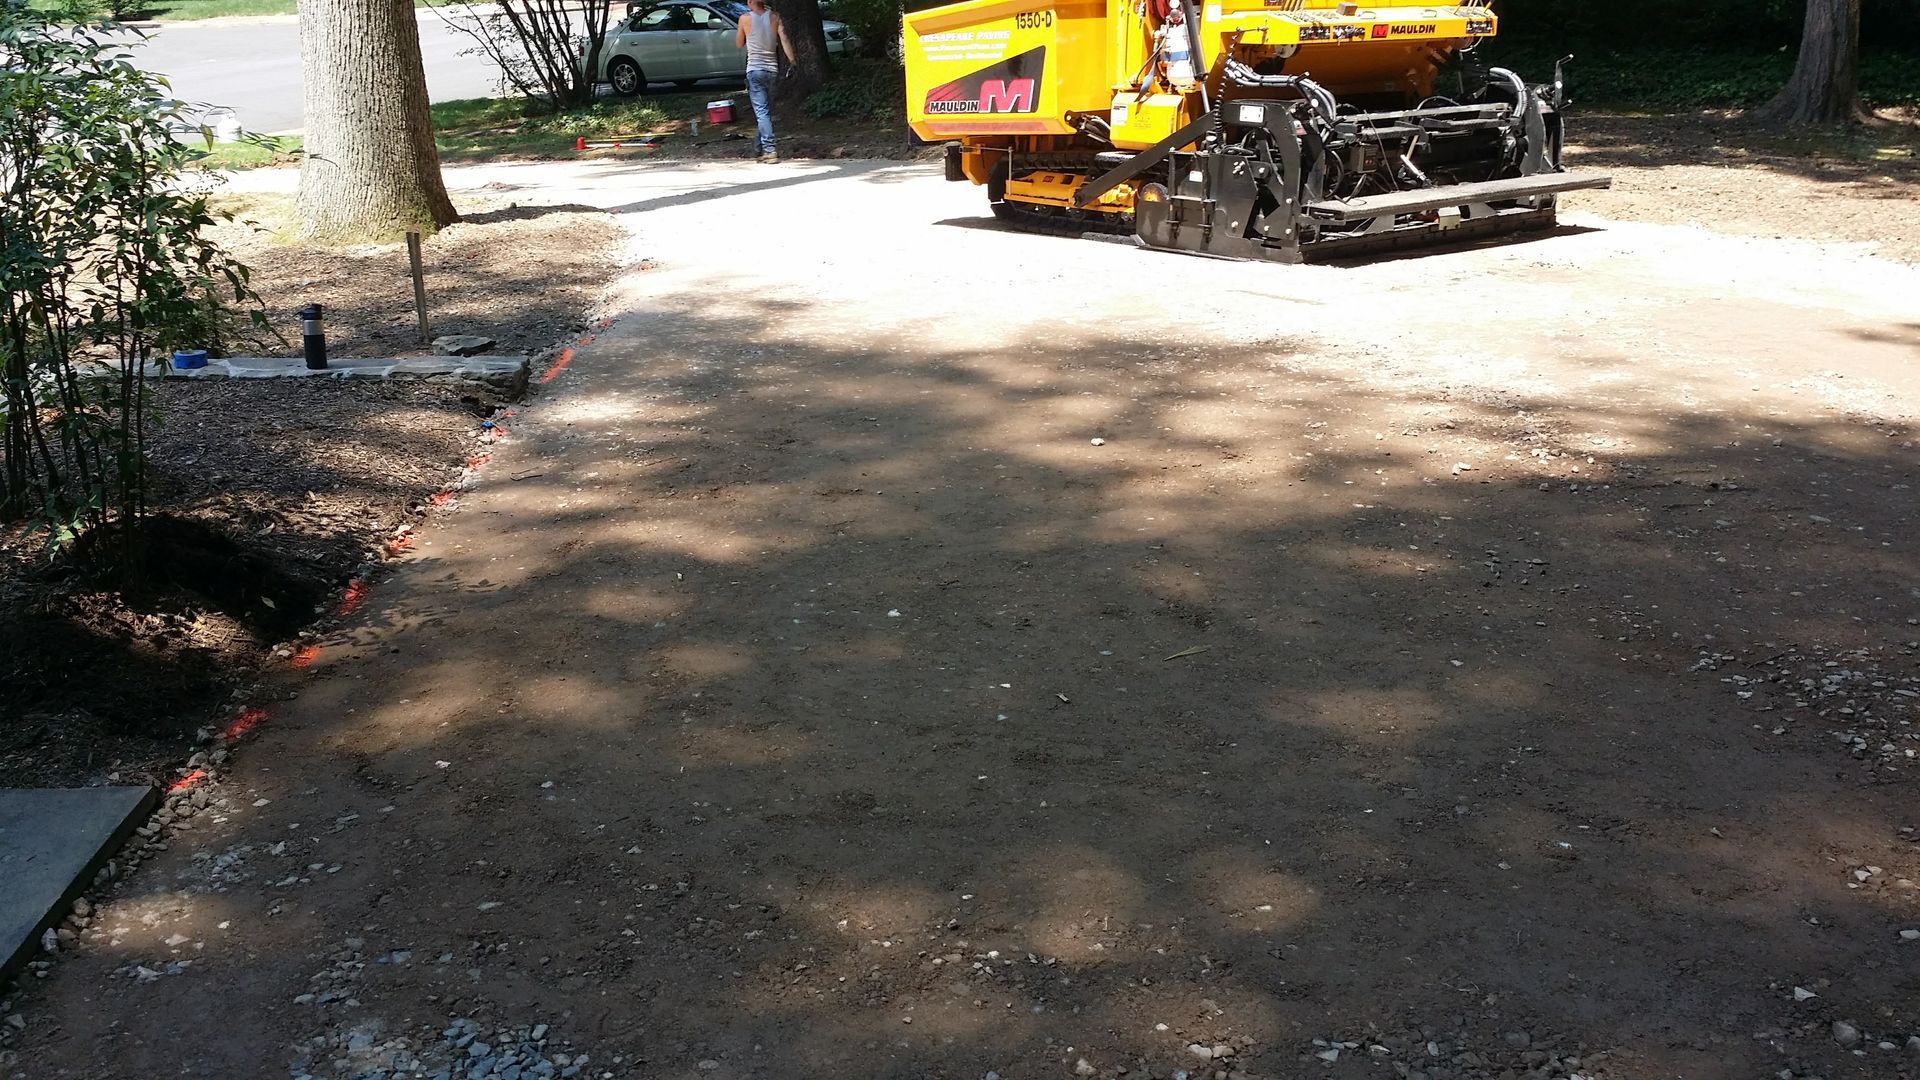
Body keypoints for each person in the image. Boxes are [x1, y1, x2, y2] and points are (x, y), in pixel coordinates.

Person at [735, 0, 795, 163]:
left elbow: (739, 44)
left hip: (754, 70)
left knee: (762, 113)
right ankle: (758, 148)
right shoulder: (775, 17)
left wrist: (748, 34)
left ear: (751, 2)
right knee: (765, 112)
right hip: (772, 70)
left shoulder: (744, 18)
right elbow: (784, 40)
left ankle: (770, 149)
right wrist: (792, 61)